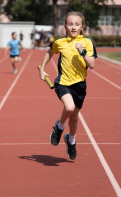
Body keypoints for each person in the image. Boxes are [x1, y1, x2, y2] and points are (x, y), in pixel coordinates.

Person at [39, 11, 96, 160]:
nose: (73, 27)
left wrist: (82, 51)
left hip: (80, 85)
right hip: (63, 82)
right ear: (65, 26)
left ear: (82, 27)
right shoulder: (60, 42)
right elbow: (50, 52)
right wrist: (43, 69)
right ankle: (59, 127)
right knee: (69, 108)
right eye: (70, 24)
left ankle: (71, 140)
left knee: (75, 117)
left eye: (77, 24)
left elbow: (92, 65)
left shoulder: (87, 43)